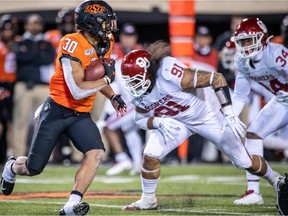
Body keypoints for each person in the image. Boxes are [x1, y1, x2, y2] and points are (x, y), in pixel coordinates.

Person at [119, 40, 286, 214]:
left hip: (208, 114)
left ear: (149, 73)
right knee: (150, 154)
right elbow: (139, 119)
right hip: (177, 120)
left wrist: (229, 113)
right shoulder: (139, 94)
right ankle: (148, 200)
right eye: (129, 81)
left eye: (135, 80)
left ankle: (276, 179)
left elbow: (217, 78)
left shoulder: (169, 74)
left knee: (243, 161)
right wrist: (157, 122)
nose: (132, 85)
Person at [1, 1, 126, 216]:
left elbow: (95, 78)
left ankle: (71, 205)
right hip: (58, 110)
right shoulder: (71, 42)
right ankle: (11, 167)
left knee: (95, 153)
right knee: (33, 167)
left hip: (80, 114)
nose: (109, 27)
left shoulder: (107, 42)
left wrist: (113, 95)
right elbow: (77, 90)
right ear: (91, 24)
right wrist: (106, 80)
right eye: (105, 22)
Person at [230, 17, 288, 213]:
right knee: (253, 133)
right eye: (243, 41)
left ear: (262, 37)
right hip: (282, 99)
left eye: (250, 40)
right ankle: (254, 191)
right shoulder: (242, 61)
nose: (246, 45)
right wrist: (231, 116)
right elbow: (239, 95)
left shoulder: (276, 54)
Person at [100, 23, 143, 176]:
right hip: (129, 100)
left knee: (108, 127)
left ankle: (123, 159)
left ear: (135, 38)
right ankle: (138, 164)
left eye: (131, 36)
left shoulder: (141, 55)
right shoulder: (116, 57)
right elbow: (116, 84)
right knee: (129, 130)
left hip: (140, 101)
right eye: (126, 36)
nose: (128, 40)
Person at [10, 14, 55, 157]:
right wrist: (37, 56)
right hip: (23, 86)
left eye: (38, 23)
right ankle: (17, 154)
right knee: (20, 122)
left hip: (42, 86)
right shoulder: (20, 42)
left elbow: (48, 59)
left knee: (45, 122)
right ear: (27, 26)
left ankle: (45, 155)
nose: (35, 26)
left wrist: (30, 56)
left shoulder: (46, 43)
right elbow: (20, 57)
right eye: (32, 23)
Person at [0, 14, 18, 163]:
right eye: (6, 30)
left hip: (13, 84)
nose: (8, 33)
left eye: (10, 30)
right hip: (1, 83)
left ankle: (5, 152)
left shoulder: (17, 44)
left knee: (10, 122)